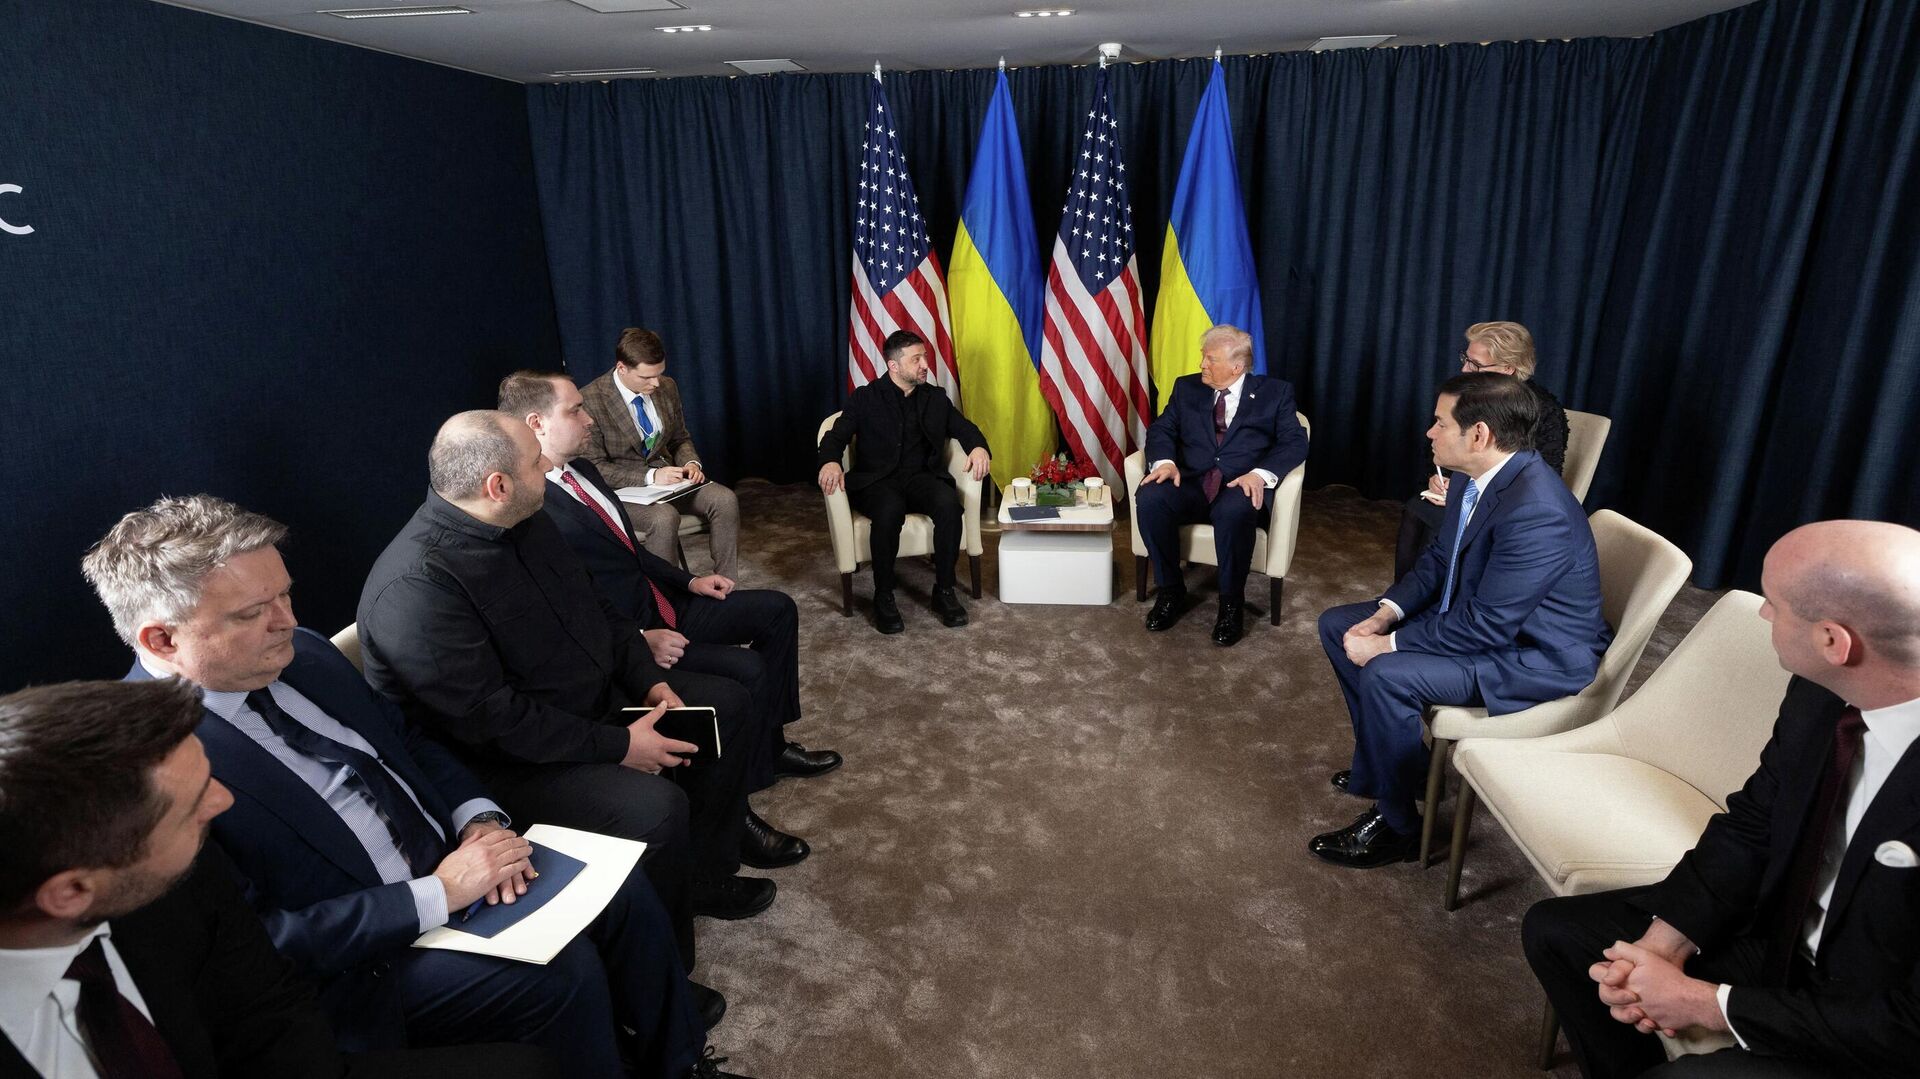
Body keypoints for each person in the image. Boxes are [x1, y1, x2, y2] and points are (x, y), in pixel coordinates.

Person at [81, 496, 740, 1078]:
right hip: (369, 957)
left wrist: (479, 820)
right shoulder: (148, 773)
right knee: (562, 975)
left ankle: (676, 1060)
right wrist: (439, 893)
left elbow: (410, 741)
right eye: (254, 612)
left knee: (621, 889)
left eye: (285, 594)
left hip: (459, 863)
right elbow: (260, 946)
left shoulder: (305, 652)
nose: (287, 619)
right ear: (161, 639)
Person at [356, 411, 793, 935]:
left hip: (585, 702)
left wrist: (649, 680)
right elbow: (495, 723)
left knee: (728, 705)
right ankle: (672, 944)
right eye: (534, 462)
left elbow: (601, 609)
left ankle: (704, 867)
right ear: (498, 486)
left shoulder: (527, 521)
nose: (548, 466)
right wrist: (620, 746)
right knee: (656, 807)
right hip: (509, 761)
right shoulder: (417, 587)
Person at [0, 677, 567, 1079]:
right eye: (192, 805)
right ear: (71, 893)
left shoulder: (176, 875)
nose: (222, 802)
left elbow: (264, 1008)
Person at [1523, 520, 1920, 1078]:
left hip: (1879, 1018)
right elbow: (1756, 820)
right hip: (1785, 938)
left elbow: (1908, 1025)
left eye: (1774, 604)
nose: (1763, 614)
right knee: (1560, 932)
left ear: (1834, 642)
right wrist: (1665, 942)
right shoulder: (1824, 690)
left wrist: (1708, 1005)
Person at [1313, 372, 1610, 867]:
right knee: (1337, 624)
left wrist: (1387, 645)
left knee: (1386, 673)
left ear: (1479, 435)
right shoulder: (1476, 478)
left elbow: (1487, 627)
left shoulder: (1538, 510)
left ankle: (1399, 827)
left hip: (1530, 655)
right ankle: (1398, 768)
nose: (1429, 432)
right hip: (1479, 616)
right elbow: (1438, 561)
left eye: (1440, 422)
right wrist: (1387, 613)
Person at [500, 371, 842, 787]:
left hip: (664, 603)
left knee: (777, 609)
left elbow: (629, 551)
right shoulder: (532, 505)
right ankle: (749, 772)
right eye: (576, 410)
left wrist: (689, 581)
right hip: (635, 636)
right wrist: (639, 637)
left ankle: (771, 746)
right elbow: (568, 607)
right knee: (747, 670)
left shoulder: (584, 470)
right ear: (537, 423)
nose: (589, 419)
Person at [1135, 324, 1310, 647]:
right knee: (1150, 497)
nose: (1202, 364)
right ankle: (1171, 590)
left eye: (1210, 359)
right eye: (1203, 357)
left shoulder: (1275, 393)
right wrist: (1165, 463)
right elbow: (1162, 429)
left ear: (1236, 367)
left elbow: (1295, 442)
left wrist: (1260, 475)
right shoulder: (1187, 388)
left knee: (1234, 511)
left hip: (1238, 485)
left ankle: (1231, 605)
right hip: (1190, 482)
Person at [816, 330, 991, 634]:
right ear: (894, 366)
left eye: (925, 357)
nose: (925, 365)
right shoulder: (866, 397)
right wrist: (830, 461)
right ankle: (883, 595)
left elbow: (965, 428)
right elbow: (835, 436)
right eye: (916, 359)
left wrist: (978, 447)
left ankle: (944, 590)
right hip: (877, 480)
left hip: (921, 478)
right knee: (889, 510)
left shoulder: (935, 398)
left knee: (949, 506)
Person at [1393, 321, 1571, 579]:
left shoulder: (1543, 411)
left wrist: (1467, 493)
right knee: (1417, 508)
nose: (1464, 369)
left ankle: (1439, 595)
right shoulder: (1464, 397)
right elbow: (1435, 449)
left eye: (1475, 365)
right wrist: (1438, 479)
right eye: (1465, 359)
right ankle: (1405, 592)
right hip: (1460, 492)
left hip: (1503, 505)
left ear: (1508, 369)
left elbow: (1542, 476)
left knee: (1441, 523)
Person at [579, 328, 741, 578]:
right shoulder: (590, 399)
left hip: (670, 483)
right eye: (646, 377)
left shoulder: (667, 386)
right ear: (622, 368)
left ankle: (726, 583)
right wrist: (651, 477)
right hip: (623, 491)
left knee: (725, 499)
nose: (656, 383)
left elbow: (680, 439)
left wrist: (691, 463)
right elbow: (595, 466)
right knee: (663, 518)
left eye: (659, 374)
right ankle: (669, 593)